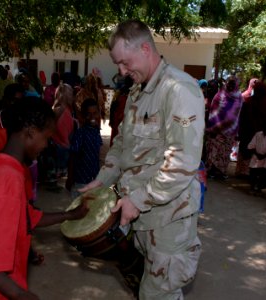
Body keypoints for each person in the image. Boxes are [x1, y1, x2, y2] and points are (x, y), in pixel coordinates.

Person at [79, 20, 204, 299]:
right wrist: (101, 181)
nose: (121, 71)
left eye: (124, 63)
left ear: (145, 48)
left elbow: (182, 162)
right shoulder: (138, 90)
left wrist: (137, 200)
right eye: (118, 64)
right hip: (139, 218)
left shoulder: (178, 89)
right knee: (141, 285)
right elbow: (122, 144)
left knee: (157, 295)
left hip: (168, 221)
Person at [0, 98, 89, 299]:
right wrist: (20, 294)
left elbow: (26, 217)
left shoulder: (4, 166)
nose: (46, 145)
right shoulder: (8, 179)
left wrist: (70, 214)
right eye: (46, 138)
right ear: (30, 133)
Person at [205, 75, 243, 180]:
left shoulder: (239, 97)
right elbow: (214, 111)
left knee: (224, 153)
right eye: (229, 83)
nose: (230, 86)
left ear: (236, 85)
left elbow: (235, 115)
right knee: (214, 151)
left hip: (229, 132)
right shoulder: (219, 95)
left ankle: (220, 172)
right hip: (216, 130)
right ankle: (212, 171)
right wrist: (213, 127)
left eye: (232, 84)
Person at [66, 98, 103, 199]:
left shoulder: (96, 131)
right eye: (88, 114)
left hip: (94, 179)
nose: (92, 117)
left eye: (95, 113)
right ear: (83, 115)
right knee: (78, 208)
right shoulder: (80, 133)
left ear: (99, 113)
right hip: (80, 181)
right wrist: (70, 178)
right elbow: (73, 156)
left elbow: (97, 155)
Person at [52, 83, 75, 179]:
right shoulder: (64, 110)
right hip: (62, 146)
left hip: (58, 145)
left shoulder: (57, 108)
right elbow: (63, 132)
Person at [247, 122, 266, 193]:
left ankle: (259, 188)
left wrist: (264, 155)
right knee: (253, 172)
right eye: (265, 127)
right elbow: (252, 144)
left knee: (263, 174)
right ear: (262, 127)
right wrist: (257, 154)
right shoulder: (258, 134)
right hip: (256, 156)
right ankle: (252, 187)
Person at [109, 75, 133, 146]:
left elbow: (112, 107)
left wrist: (111, 119)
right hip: (126, 120)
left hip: (118, 119)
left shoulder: (119, 92)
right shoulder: (134, 93)